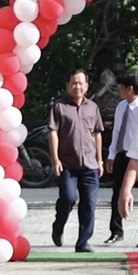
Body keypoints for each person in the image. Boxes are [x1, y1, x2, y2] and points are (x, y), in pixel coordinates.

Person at [47, 70, 104, 252]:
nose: (77, 86)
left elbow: (97, 134)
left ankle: (83, 242)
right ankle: (59, 225)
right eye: (74, 83)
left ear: (86, 86)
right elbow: (53, 132)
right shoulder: (59, 107)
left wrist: (100, 160)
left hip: (90, 165)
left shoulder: (93, 107)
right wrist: (55, 159)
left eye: (81, 83)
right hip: (67, 164)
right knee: (69, 198)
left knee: (89, 204)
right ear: (68, 85)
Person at [103, 72, 138, 246]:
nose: (119, 90)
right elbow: (117, 132)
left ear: (130, 88)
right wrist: (112, 155)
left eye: (121, 87)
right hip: (124, 154)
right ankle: (116, 231)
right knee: (118, 193)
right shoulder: (121, 107)